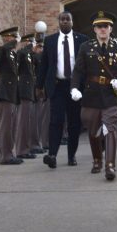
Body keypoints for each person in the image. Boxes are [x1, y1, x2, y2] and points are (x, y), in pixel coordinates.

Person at [72, 11, 117, 179]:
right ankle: (97, 159)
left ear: (111, 28)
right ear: (94, 29)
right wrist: (74, 88)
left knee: (110, 129)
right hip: (91, 94)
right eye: (99, 26)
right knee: (93, 130)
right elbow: (78, 71)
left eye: (106, 26)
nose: (103, 29)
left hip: (110, 95)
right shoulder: (86, 47)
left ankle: (110, 166)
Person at [38, 12, 88, 169]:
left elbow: (87, 65)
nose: (65, 22)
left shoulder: (82, 40)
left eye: (68, 19)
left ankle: (71, 155)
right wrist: (39, 86)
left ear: (72, 22)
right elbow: (44, 66)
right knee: (55, 121)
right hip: (57, 86)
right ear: (58, 22)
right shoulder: (50, 41)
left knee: (74, 123)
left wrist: (86, 87)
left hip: (75, 87)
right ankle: (52, 155)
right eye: (62, 19)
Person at [0, 27, 22, 165]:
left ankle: (10, 153)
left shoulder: (12, 54)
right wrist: (13, 43)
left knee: (12, 126)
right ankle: (5, 155)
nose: (16, 40)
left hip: (12, 93)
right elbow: (0, 64)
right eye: (13, 37)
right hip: (5, 92)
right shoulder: (2, 51)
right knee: (5, 126)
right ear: (7, 38)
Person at [15, 34, 38, 160]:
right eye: (31, 42)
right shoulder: (22, 53)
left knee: (27, 122)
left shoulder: (29, 55)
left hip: (29, 91)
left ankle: (26, 148)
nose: (33, 45)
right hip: (23, 90)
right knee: (22, 122)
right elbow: (19, 56)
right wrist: (27, 46)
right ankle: (21, 150)